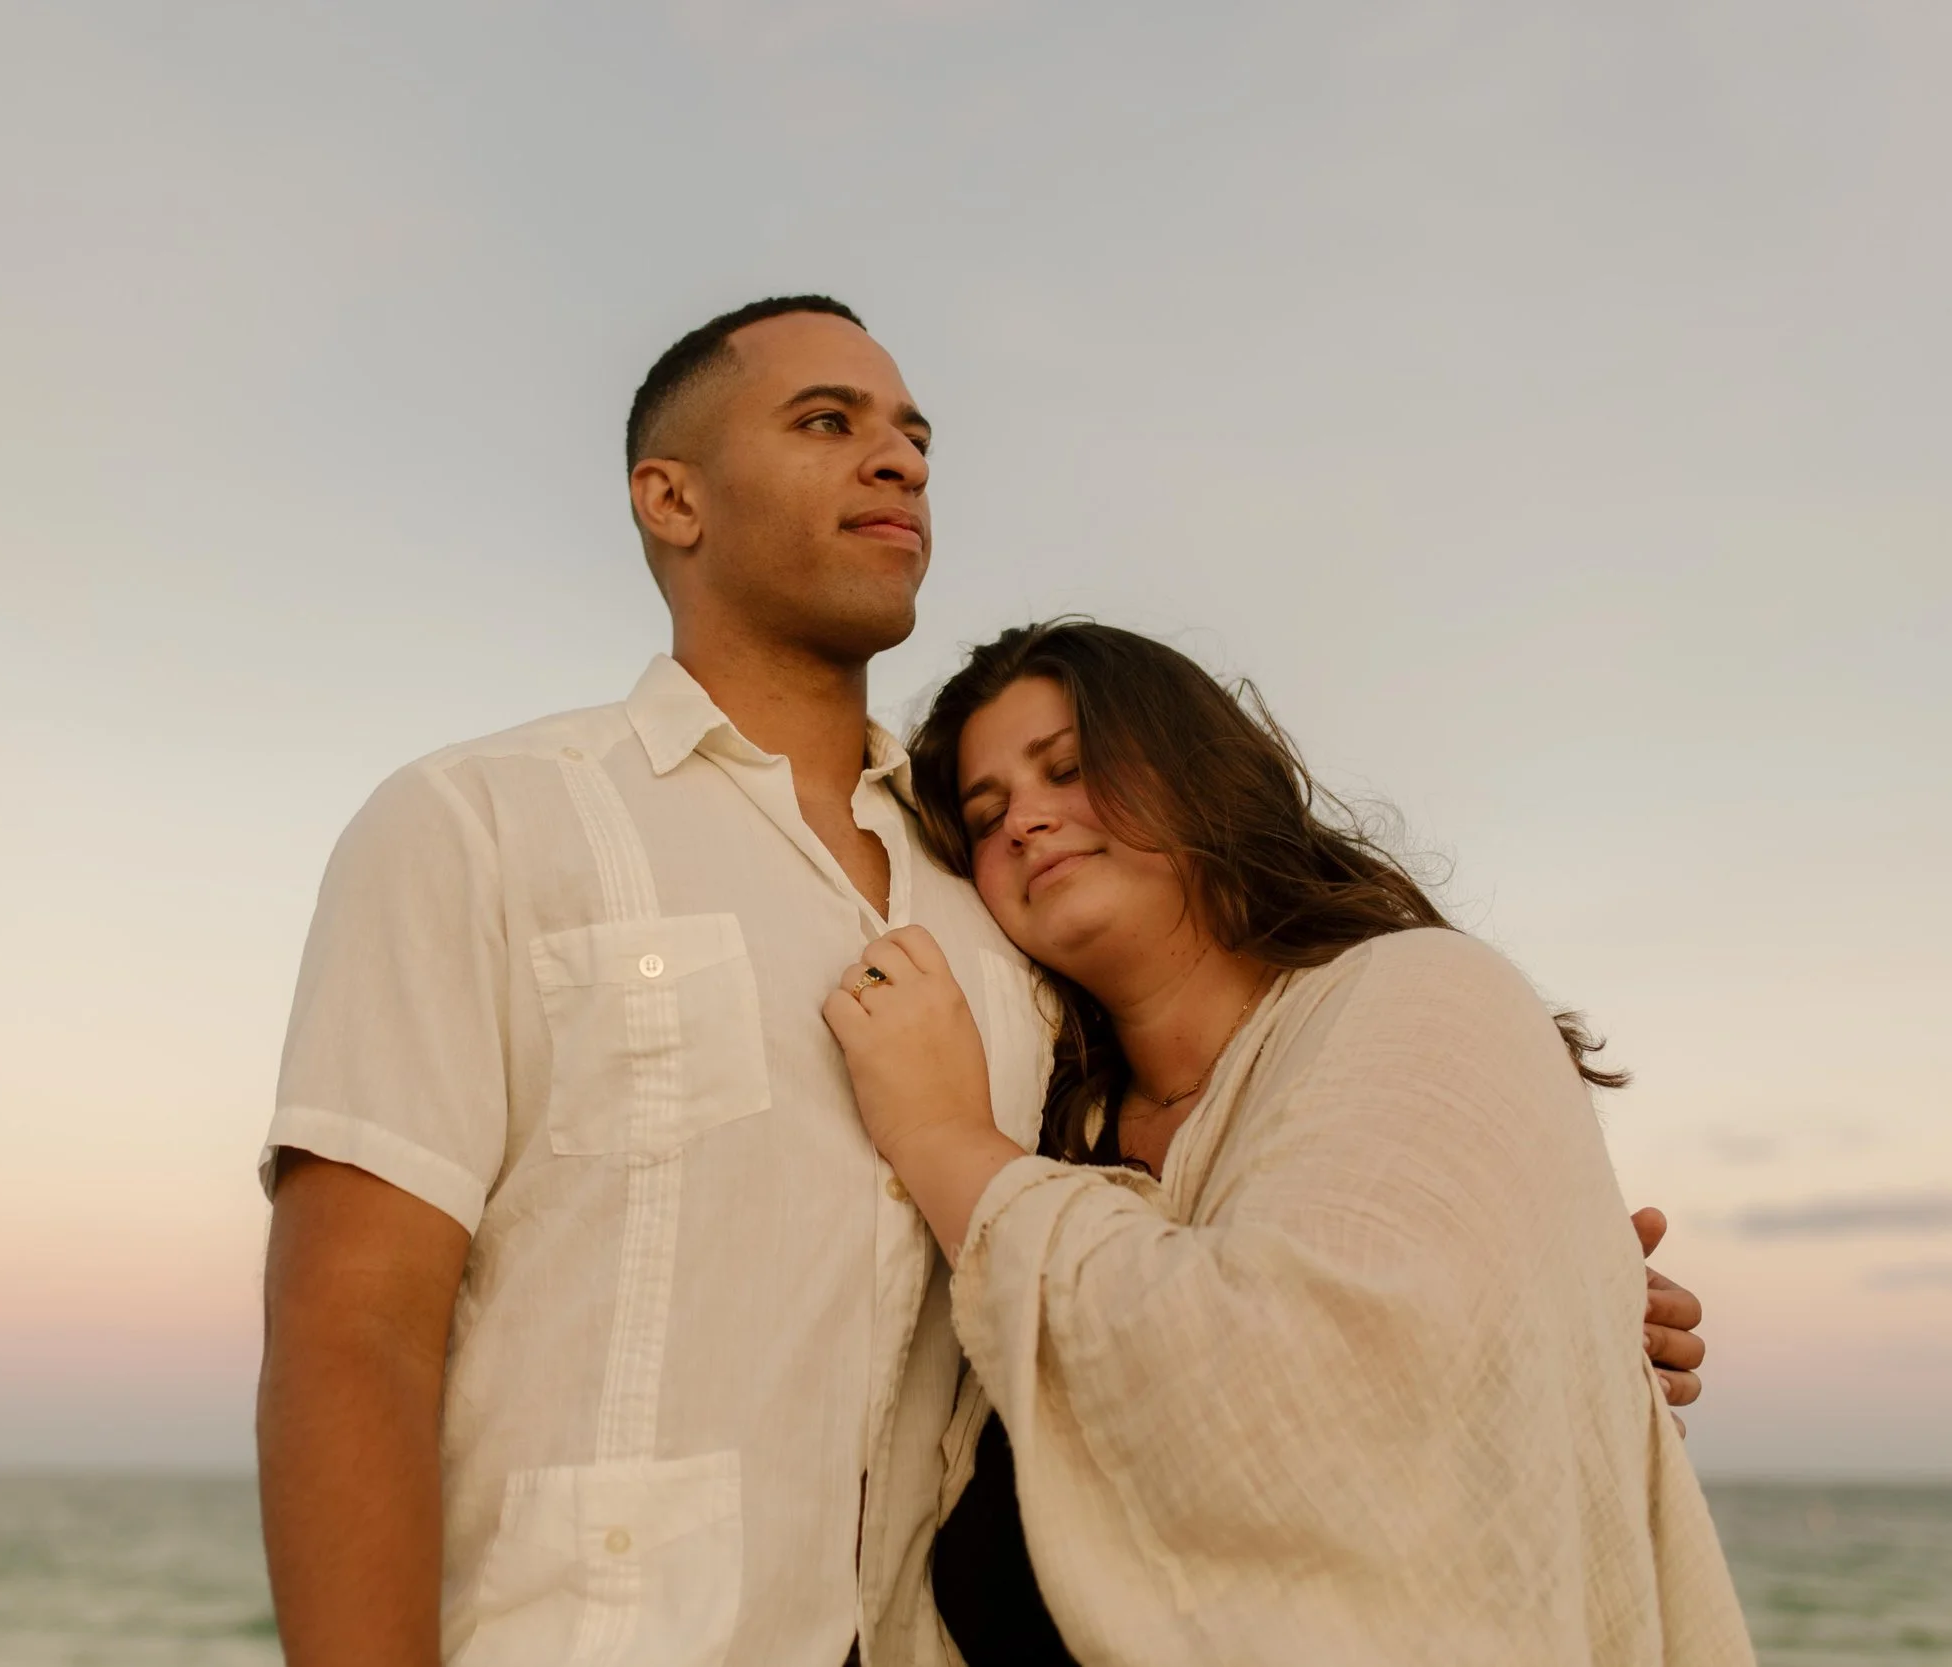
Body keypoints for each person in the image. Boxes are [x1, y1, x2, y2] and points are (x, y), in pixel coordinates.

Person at [254, 296, 1711, 1667]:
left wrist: (1512, 1288)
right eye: (826, 421)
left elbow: (1184, 1239)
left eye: (914, 435)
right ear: (673, 497)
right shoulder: (483, 822)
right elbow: (355, 1324)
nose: (896, 455)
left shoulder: (1001, 916)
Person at [820, 621, 1752, 1665]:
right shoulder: (1047, 1132)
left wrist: (939, 1135)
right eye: (985, 817)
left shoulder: (1428, 994)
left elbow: (1282, 1388)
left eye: (1070, 769)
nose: (1027, 821)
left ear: (1195, 770)